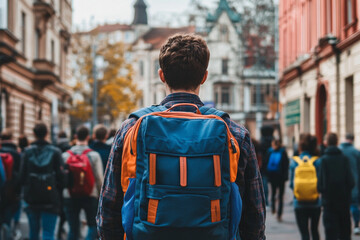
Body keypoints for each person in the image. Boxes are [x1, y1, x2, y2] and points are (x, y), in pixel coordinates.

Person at [96, 34, 266, 239]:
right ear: (204, 76)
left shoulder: (131, 128)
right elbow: (254, 215)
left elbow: (108, 209)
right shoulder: (235, 133)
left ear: (161, 76)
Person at [20, 122, 64, 240]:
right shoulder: (55, 152)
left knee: (33, 233)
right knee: (48, 233)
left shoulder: (27, 152)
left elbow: (21, 177)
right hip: (51, 197)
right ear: (47, 134)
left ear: (34, 134)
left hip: (31, 197)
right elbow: (61, 178)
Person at [62, 126, 103, 240]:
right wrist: (100, 195)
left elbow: (62, 178)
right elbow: (99, 178)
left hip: (69, 195)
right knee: (92, 225)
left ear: (75, 137)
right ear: (88, 137)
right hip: (90, 194)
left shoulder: (66, 155)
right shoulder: (93, 155)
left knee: (73, 228)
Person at [318, 133, 354, 240]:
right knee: (345, 234)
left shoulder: (323, 160)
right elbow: (351, 182)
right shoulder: (344, 159)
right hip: (343, 202)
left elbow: (320, 185)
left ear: (326, 143)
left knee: (330, 234)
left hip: (329, 204)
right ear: (337, 142)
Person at [290, 133, 321, 240]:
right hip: (315, 202)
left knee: (304, 234)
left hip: (299, 203)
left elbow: (291, 184)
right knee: (315, 231)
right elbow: (321, 183)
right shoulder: (317, 161)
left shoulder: (295, 162)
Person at [0, 128, 22, 238]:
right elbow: (20, 172)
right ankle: (10, 229)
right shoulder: (16, 153)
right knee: (10, 212)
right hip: (12, 189)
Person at [339, 133, 360, 235]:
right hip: (354, 182)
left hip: (340, 183)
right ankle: (356, 225)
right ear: (353, 140)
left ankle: (342, 226)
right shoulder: (356, 152)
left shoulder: (338, 150)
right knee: (354, 204)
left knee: (342, 206)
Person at [266, 138, 289, 221]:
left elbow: (266, 163)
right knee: (280, 196)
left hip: (272, 176)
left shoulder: (269, 151)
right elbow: (286, 165)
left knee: (273, 193)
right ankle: (279, 214)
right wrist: (286, 176)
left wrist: (267, 176)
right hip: (281, 177)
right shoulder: (283, 152)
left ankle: (273, 208)